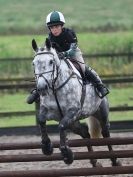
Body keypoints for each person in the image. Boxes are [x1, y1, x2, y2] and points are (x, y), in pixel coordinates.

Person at [27, 11, 109, 104]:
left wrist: (64, 54)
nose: (55, 29)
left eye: (57, 26)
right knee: (49, 71)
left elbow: (73, 50)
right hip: (59, 57)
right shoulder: (49, 38)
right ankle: (37, 91)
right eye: (52, 27)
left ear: (61, 26)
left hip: (73, 55)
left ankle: (100, 87)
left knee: (83, 68)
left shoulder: (70, 33)